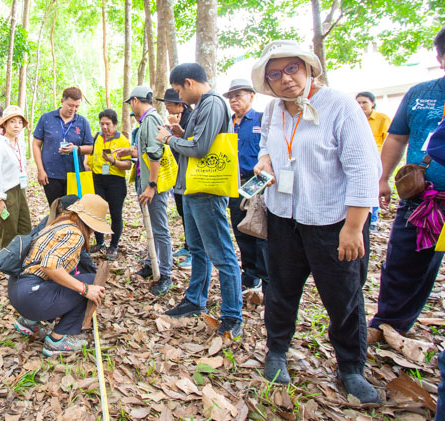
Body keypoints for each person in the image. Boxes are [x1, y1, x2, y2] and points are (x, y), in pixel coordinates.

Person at [249, 40, 380, 403]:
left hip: (334, 222)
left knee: (344, 298)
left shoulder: (340, 106)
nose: (285, 79)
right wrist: (264, 163)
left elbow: (364, 170)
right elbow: (266, 149)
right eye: (275, 74)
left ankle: (351, 368)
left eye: (292, 69)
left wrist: (354, 228)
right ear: (268, 82)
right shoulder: (273, 110)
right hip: (283, 217)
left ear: (308, 69)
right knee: (280, 288)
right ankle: (276, 351)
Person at [368, 27, 445, 346]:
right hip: (423, 199)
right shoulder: (420, 94)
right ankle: (389, 325)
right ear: (440, 59)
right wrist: (383, 178)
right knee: (405, 262)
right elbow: (397, 137)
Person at [156, 64, 243, 337]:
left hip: (207, 191)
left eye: (180, 90)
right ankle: (195, 300)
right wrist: (182, 135)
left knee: (222, 254)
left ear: (189, 83)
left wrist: (170, 139)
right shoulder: (202, 107)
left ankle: (232, 315)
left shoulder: (213, 104)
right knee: (198, 250)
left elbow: (202, 149)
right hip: (192, 189)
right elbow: (197, 141)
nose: (180, 97)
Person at [7, 194, 110, 356]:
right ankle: (56, 340)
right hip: (31, 296)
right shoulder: (75, 234)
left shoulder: (60, 222)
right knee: (91, 281)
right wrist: (85, 289)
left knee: (73, 279)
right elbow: (50, 266)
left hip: (17, 290)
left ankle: (29, 322)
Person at [118, 85, 174, 296]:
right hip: (145, 181)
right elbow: (146, 150)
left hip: (153, 184)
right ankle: (154, 264)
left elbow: (155, 154)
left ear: (135, 101)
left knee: (159, 228)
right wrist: (131, 151)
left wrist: (151, 186)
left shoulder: (150, 120)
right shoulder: (148, 121)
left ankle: (166, 274)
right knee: (151, 225)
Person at [223, 79, 268, 291]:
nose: (233, 100)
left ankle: (264, 275)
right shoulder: (227, 123)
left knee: (258, 229)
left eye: (238, 95)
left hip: (257, 184)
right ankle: (249, 273)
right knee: (240, 229)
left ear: (251, 95)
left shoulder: (261, 119)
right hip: (234, 183)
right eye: (231, 97)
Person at [32, 87, 94, 205]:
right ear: (62, 101)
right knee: (56, 209)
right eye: (70, 105)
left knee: (73, 211)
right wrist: (40, 170)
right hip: (51, 174)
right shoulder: (46, 118)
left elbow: (90, 148)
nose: (73, 109)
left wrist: (76, 149)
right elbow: (36, 144)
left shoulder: (83, 122)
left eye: (77, 106)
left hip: (74, 174)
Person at [85, 109, 132, 260]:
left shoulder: (122, 141)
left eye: (108, 124)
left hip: (115, 181)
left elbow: (128, 165)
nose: (105, 127)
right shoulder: (96, 137)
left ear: (115, 124)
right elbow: (90, 155)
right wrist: (87, 165)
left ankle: (113, 245)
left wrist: (113, 161)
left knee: (115, 214)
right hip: (97, 179)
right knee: (97, 212)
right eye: (102, 124)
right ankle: (99, 242)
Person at [156, 88, 192, 268]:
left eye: (170, 105)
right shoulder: (172, 120)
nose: (168, 108)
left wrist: (176, 132)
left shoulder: (190, 118)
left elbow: (191, 144)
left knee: (190, 213)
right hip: (176, 173)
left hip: (190, 175)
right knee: (182, 210)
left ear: (180, 104)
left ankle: (194, 251)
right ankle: (188, 245)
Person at [0, 105, 32, 248]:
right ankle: (7, 266)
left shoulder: (20, 143)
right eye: (13, 121)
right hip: (6, 193)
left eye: (20, 122)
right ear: (5, 124)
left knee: (25, 229)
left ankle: (20, 263)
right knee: (9, 232)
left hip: (20, 190)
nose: (17, 126)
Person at [356, 91, 391, 231]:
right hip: (359, 159)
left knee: (374, 189)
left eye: (364, 102)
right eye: (358, 102)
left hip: (377, 160)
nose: (361, 105)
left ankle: (373, 220)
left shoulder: (382, 119)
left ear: (372, 103)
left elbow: (389, 141)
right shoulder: (354, 118)